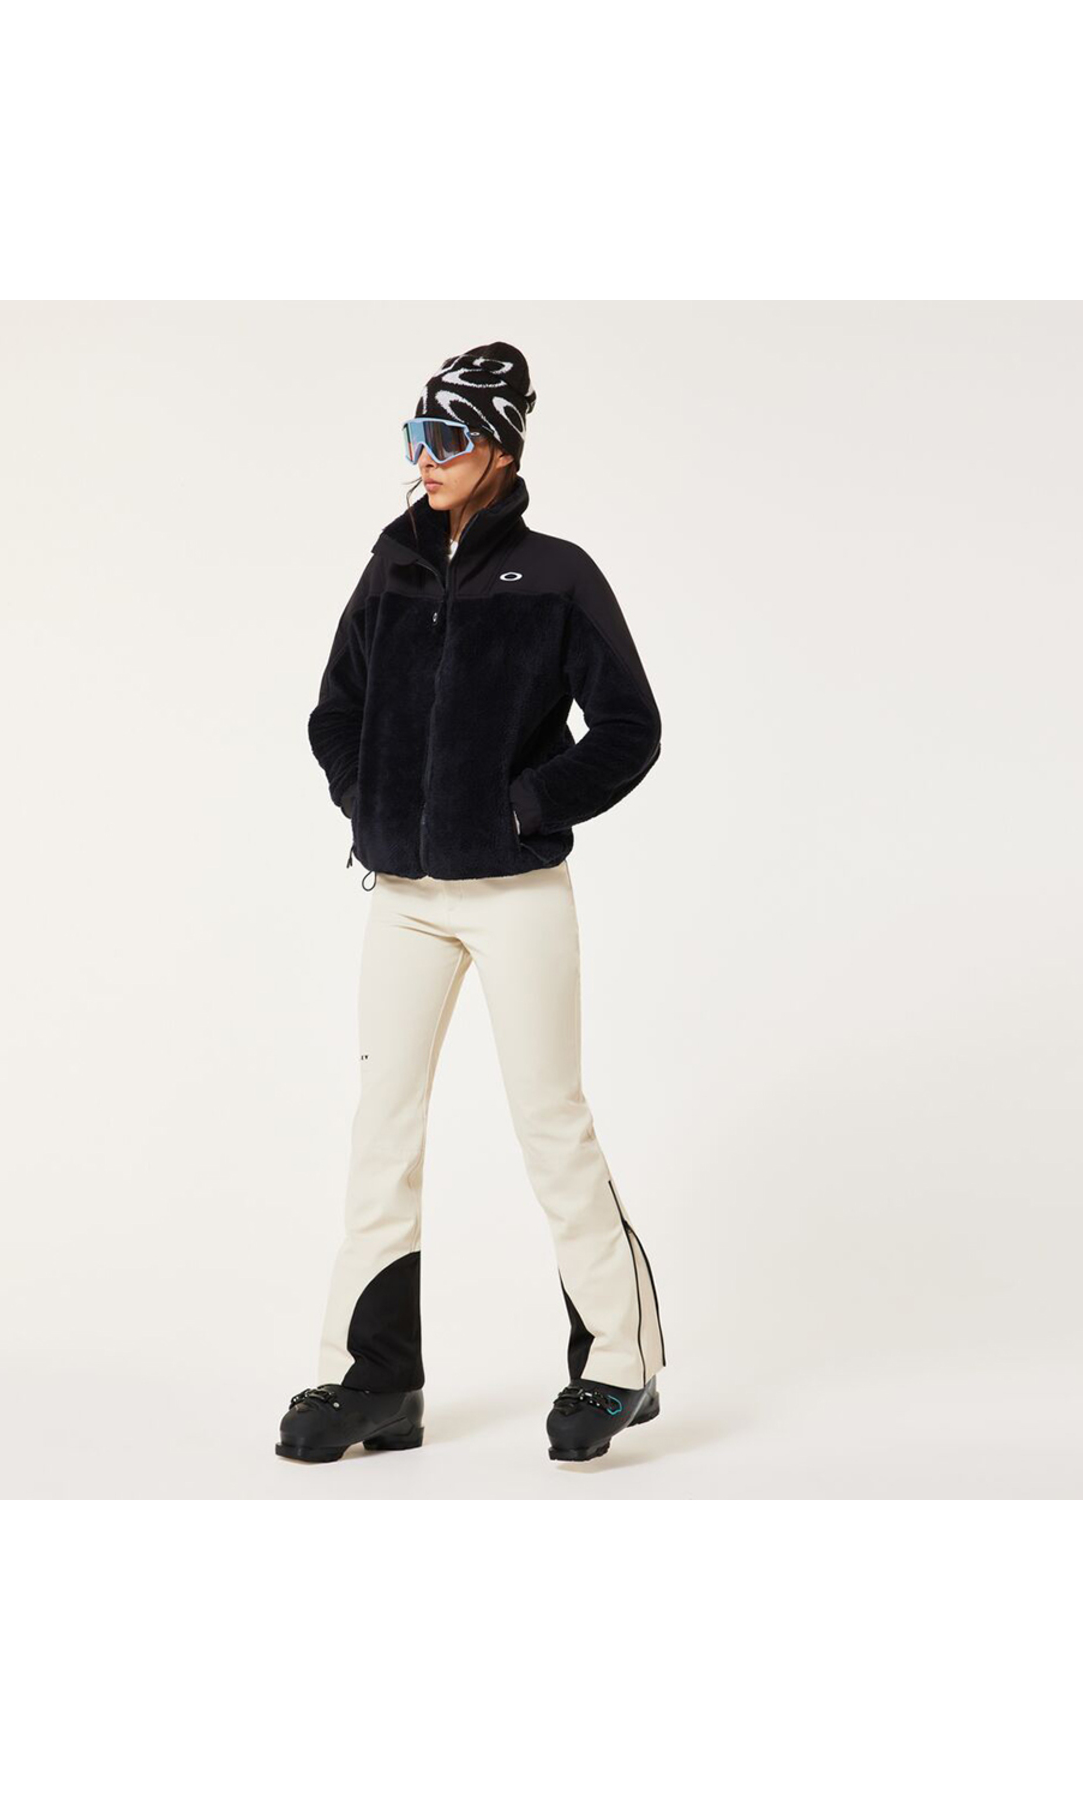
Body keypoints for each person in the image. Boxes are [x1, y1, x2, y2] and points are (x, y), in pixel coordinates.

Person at [276, 341, 666, 1466]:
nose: (425, 457)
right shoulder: (391, 566)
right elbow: (334, 710)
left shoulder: (557, 576)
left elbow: (630, 730)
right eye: (417, 435)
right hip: (403, 896)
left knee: (549, 1118)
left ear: (499, 447)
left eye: (447, 437)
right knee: (381, 1127)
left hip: (516, 892)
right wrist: (370, 802)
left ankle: (620, 1360)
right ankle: (374, 1381)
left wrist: (525, 804)